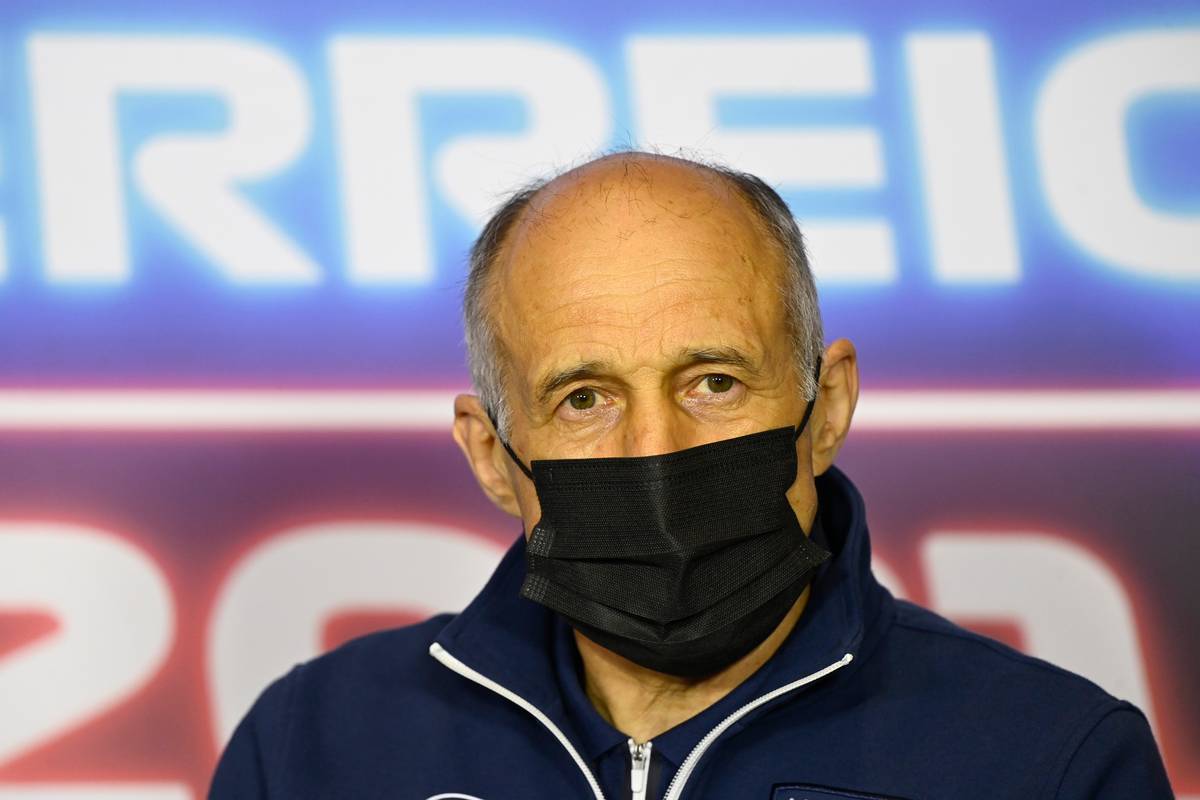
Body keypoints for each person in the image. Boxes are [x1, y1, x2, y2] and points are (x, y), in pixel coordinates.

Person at [208, 151, 1174, 799]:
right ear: (490, 456)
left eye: (713, 381)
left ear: (826, 405)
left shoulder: (1051, 763)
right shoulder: (310, 749)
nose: (655, 450)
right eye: (584, 398)